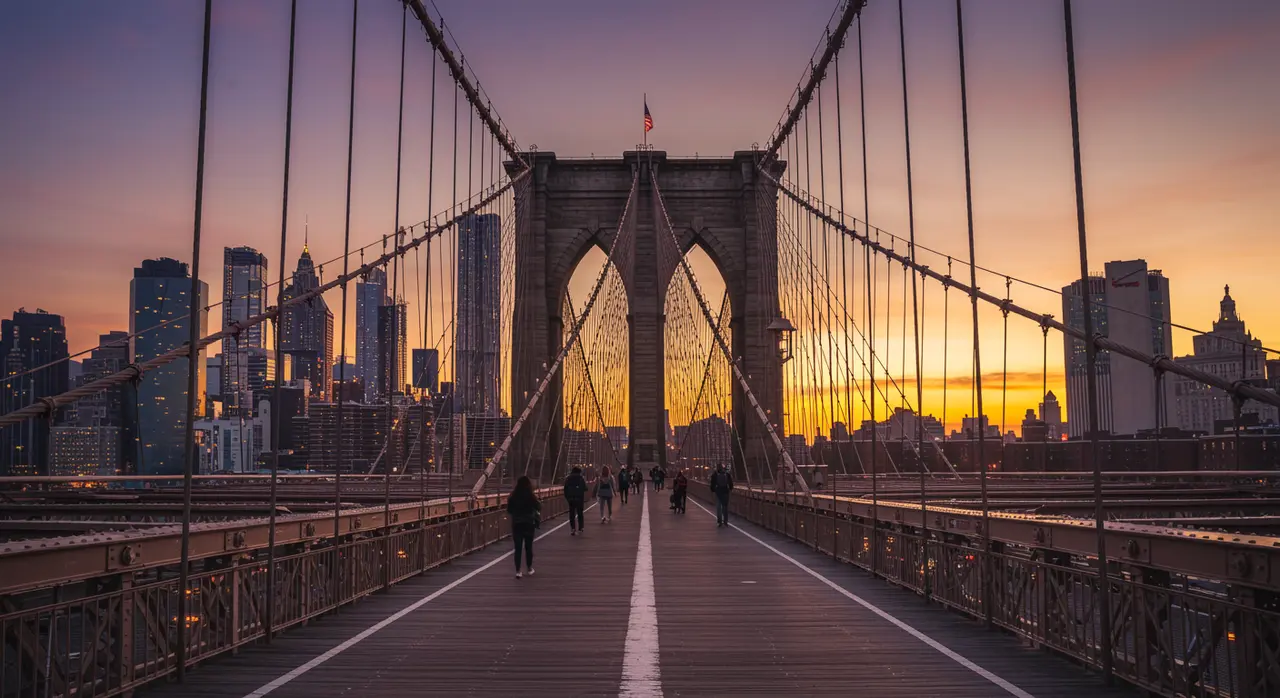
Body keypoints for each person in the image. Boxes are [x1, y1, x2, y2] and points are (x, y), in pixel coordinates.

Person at [507, 475, 541, 578]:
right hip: (528, 523)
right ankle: (529, 568)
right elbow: (538, 506)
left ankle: (518, 571)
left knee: (518, 548)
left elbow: (509, 510)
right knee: (528, 547)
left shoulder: (513, 496)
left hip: (517, 524)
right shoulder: (531, 495)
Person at [563, 466, 588, 536]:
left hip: (571, 499)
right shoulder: (581, 478)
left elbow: (565, 489)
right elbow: (585, 488)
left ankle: (573, 529)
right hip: (579, 498)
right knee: (580, 514)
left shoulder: (568, 478)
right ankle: (580, 528)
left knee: (572, 514)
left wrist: (567, 498)